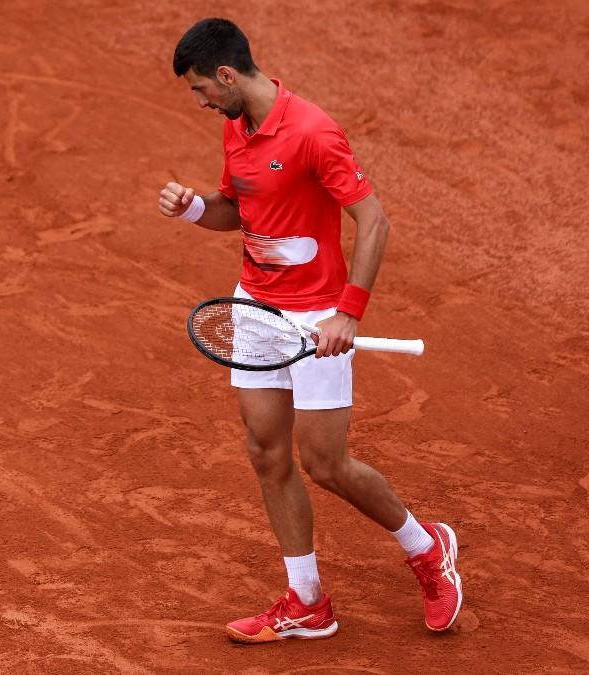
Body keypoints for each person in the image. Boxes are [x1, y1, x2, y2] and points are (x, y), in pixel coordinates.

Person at [158, 18, 462, 643]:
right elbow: (239, 210)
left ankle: (425, 545)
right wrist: (193, 208)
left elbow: (373, 223)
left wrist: (347, 312)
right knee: (266, 452)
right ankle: (307, 601)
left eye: (200, 90)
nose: (200, 103)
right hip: (255, 310)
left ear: (225, 74)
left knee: (325, 462)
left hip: (317, 313)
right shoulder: (235, 128)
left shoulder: (313, 132)